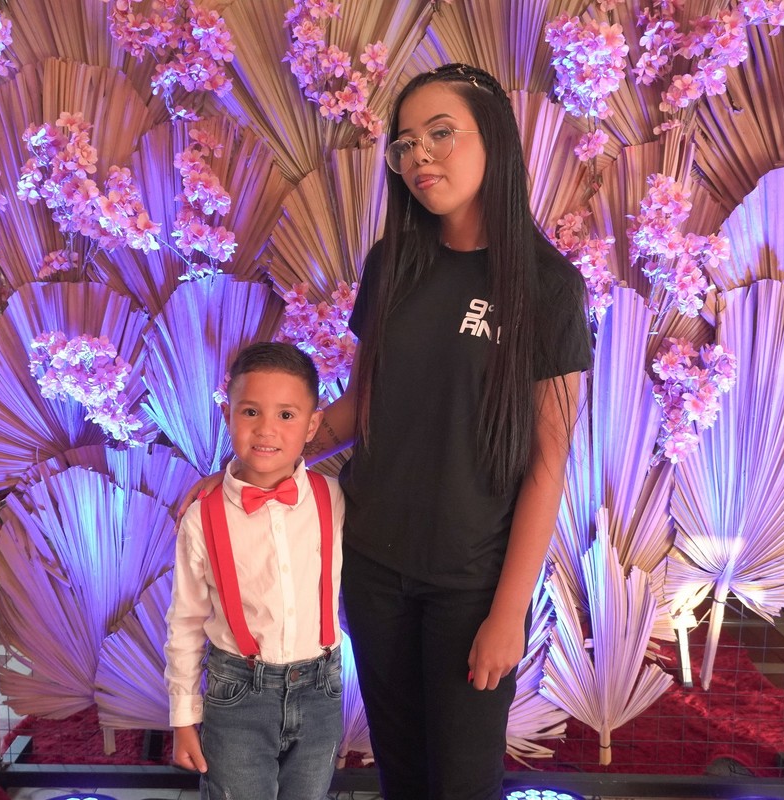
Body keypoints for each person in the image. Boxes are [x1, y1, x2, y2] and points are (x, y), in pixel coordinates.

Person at [180, 62, 591, 800]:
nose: (419, 156)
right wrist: (252, 464)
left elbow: (547, 462)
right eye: (404, 144)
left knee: (462, 784)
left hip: (471, 583)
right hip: (373, 571)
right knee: (401, 773)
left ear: (494, 139)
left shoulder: (548, 286)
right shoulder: (392, 263)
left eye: (441, 134)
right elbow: (360, 406)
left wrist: (508, 612)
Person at [165, 341, 345, 800]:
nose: (266, 429)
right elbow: (185, 621)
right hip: (237, 697)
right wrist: (183, 718)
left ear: (312, 425)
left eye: (286, 415)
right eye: (250, 412)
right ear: (227, 414)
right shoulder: (202, 516)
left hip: (321, 692)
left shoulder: (334, 498)